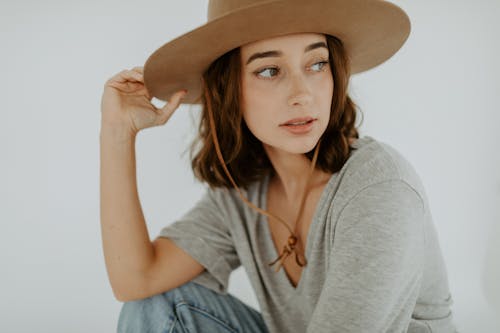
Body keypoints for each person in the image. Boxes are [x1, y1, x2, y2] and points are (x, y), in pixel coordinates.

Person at [100, 1, 457, 332]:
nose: (301, 94)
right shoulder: (245, 195)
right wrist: (117, 133)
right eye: (270, 70)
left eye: (317, 64)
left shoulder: (377, 188)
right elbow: (136, 280)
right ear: (229, 90)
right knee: (157, 305)